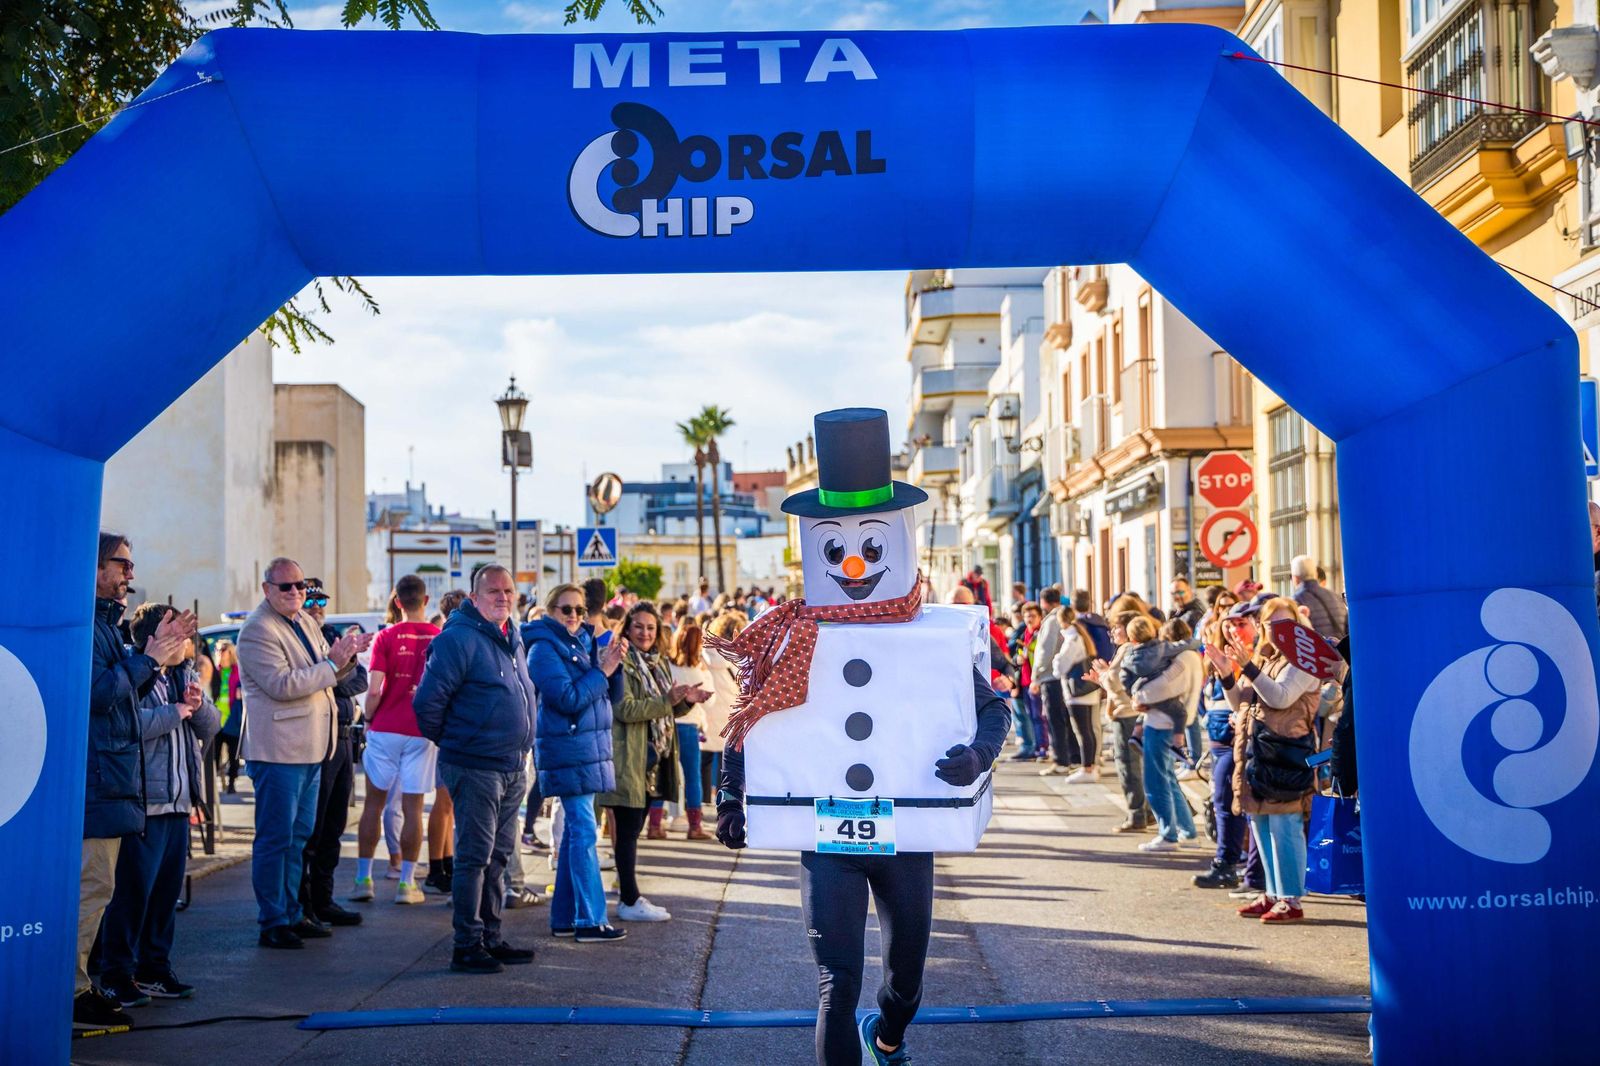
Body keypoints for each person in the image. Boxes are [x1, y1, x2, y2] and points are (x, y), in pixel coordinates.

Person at [237, 557, 373, 949]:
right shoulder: (257, 630)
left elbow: (329, 672)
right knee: (276, 839)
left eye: (300, 585)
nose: (296, 592)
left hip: (314, 747)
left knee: (298, 837)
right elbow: (282, 684)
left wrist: (346, 657)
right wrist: (333, 662)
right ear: (267, 589)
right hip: (280, 751)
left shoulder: (305, 622)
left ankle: (293, 912)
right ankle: (273, 919)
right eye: (287, 586)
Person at [413, 565, 538, 974]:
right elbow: (427, 706)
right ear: (474, 597)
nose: (503, 597)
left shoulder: (511, 635)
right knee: (474, 858)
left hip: (512, 765)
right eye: (493, 591)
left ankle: (490, 938)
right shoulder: (457, 639)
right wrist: (460, 742)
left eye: (508, 591)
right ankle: (466, 945)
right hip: (475, 766)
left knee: (499, 856)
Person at [99, 603, 219, 1008]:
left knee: (166, 896)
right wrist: (175, 712)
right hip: (144, 804)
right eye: (178, 633)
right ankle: (117, 975)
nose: (187, 641)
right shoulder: (133, 673)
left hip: (178, 803)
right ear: (155, 638)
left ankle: (154, 968)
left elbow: (212, 725)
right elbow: (130, 726)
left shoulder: (183, 674)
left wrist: (198, 707)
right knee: (133, 895)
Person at [1207, 596, 1321, 923]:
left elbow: (1280, 697)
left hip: (1286, 753)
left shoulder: (1303, 660)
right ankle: (1272, 892)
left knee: (1285, 827)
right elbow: (1241, 702)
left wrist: (1249, 667)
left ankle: (1291, 898)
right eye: (1270, 624)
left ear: (1297, 626)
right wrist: (1227, 674)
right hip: (1257, 753)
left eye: (1284, 623)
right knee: (1260, 824)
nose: (1276, 630)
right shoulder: (1264, 658)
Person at [525, 583, 628, 943]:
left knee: (575, 832)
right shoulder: (542, 648)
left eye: (579, 610)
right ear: (549, 611)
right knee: (584, 832)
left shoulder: (582, 643)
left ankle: (565, 917)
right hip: (568, 749)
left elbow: (611, 697)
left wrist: (613, 666)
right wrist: (602, 671)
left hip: (585, 748)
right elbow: (567, 698)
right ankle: (590, 920)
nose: (573, 616)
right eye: (566, 609)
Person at [601, 602, 705, 922]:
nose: (645, 633)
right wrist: (667, 701)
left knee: (634, 829)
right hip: (628, 757)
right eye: (638, 627)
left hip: (653, 759)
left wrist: (685, 702)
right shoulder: (621, 662)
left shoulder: (658, 662)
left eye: (650, 628)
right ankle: (629, 900)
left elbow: (664, 710)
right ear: (627, 629)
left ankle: (630, 896)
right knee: (628, 831)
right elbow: (624, 710)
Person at [352, 575, 439, 907]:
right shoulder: (439, 637)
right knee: (413, 808)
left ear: (398, 602)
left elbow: (374, 689)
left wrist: (370, 717)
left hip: (385, 727)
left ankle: (364, 879)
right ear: (425, 601)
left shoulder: (386, 637)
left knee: (374, 805)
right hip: (421, 730)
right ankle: (406, 883)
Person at [297, 579, 369, 926]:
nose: (316, 607)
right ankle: (304, 903)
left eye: (321, 601)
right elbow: (319, 681)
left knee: (334, 825)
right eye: (310, 601)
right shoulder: (300, 639)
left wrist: (332, 677)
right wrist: (333, 676)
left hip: (342, 739)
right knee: (312, 826)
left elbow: (359, 679)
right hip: (317, 739)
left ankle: (323, 899)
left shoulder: (331, 637)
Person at [1123, 617, 1202, 852]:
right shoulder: (1189, 656)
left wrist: (1138, 696)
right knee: (1168, 780)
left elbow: (1165, 685)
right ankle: (1187, 831)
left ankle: (1168, 834)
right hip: (1167, 721)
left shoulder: (1184, 658)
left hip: (1162, 724)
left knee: (1156, 782)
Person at [1085, 609, 1154, 833]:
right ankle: (1146, 811)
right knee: (1137, 765)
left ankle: (1137, 815)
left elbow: (1118, 682)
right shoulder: (1129, 649)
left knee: (1128, 766)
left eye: (1116, 627)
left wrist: (1104, 674)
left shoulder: (1128, 649)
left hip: (1127, 714)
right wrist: (1103, 678)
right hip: (1127, 711)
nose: (1112, 632)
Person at [667, 617, 716, 840]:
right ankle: (694, 826)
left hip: (667, 725)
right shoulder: (700, 671)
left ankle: (655, 824)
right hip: (689, 726)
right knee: (692, 776)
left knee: (663, 773)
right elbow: (711, 701)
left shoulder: (667, 666)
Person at [1050, 605, 1103, 784]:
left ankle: (1087, 768)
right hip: (1087, 689)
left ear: (1061, 621)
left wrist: (1056, 659)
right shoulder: (1081, 635)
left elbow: (1060, 668)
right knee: (1088, 729)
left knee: (1082, 731)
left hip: (1077, 691)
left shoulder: (1071, 639)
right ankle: (1091, 765)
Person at [699, 610, 745, 813]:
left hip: (707, 714)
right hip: (728, 716)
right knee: (725, 764)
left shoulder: (703, 654)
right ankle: (721, 802)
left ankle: (703, 802)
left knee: (704, 761)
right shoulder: (736, 658)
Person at [1031, 587, 1069, 772]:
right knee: (1063, 719)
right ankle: (1071, 758)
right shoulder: (1065, 616)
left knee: (1055, 719)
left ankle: (1061, 760)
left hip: (1050, 676)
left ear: (1043, 601)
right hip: (1061, 674)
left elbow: (1045, 650)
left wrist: (1036, 675)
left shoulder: (1052, 620)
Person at [1290, 554, 1348, 642]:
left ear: (1295, 578)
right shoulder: (1336, 597)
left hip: (1317, 649)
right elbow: (1348, 630)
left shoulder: (1295, 601)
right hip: (1339, 649)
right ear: (1316, 574)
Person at [212, 640, 243, 794]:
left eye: (223, 651)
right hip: (216, 719)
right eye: (218, 651)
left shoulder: (238, 672)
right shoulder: (214, 671)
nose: (220, 654)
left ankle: (231, 783)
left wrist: (242, 692)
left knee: (233, 755)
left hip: (232, 719)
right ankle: (213, 784)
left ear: (231, 653)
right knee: (214, 755)